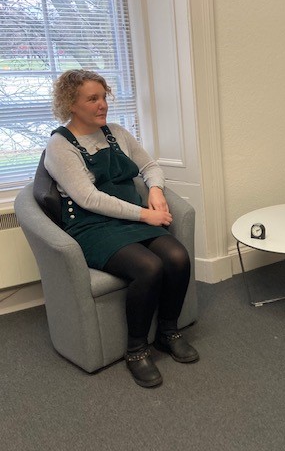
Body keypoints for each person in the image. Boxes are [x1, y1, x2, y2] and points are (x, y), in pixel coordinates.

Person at [45, 69, 199, 388]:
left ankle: (168, 333)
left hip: (130, 219)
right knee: (148, 268)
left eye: (104, 97)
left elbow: (150, 167)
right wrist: (145, 215)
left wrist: (154, 191)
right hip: (92, 227)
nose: (103, 105)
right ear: (71, 104)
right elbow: (89, 198)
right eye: (93, 99)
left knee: (178, 256)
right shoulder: (60, 146)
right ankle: (136, 349)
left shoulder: (116, 132)